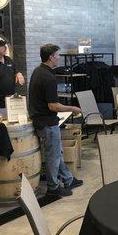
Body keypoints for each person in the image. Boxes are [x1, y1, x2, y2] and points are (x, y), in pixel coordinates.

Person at [28, 44, 83, 197]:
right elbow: (53, 106)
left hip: (39, 118)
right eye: (58, 55)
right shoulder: (49, 77)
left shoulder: (38, 71)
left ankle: (68, 179)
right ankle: (53, 188)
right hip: (47, 121)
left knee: (56, 152)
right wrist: (73, 109)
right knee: (53, 155)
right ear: (51, 57)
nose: (59, 57)